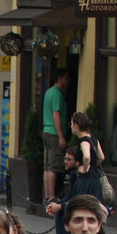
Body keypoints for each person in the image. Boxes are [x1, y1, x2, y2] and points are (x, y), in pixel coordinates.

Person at [42, 69, 72, 203]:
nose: (68, 80)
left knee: (47, 166)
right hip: (54, 133)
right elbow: (56, 114)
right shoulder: (58, 94)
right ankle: (52, 196)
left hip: (46, 131)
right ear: (59, 78)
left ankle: (47, 195)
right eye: (66, 77)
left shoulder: (48, 92)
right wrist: (61, 135)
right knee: (53, 166)